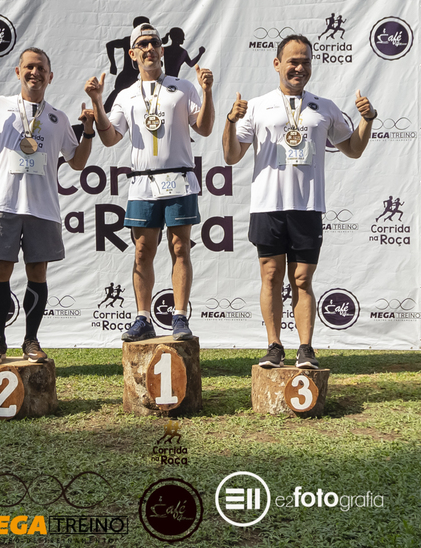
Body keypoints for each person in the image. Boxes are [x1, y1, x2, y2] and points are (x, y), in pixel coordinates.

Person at [222, 34, 376, 369]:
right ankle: (274, 346)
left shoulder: (325, 107)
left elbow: (353, 149)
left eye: (305, 61)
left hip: (307, 207)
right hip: (267, 206)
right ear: (277, 64)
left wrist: (367, 120)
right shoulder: (258, 106)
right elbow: (232, 155)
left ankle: (306, 349)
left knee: (302, 279)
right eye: (292, 61)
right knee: (271, 276)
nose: (299, 67)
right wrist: (230, 122)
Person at [0, 48, 95, 365]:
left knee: (37, 273)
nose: (35, 72)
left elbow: (79, 162)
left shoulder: (57, 118)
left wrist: (88, 131)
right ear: (18, 72)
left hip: (43, 209)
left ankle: (31, 340)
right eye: (29, 67)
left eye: (41, 68)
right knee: (0, 270)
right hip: (4, 204)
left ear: (50, 76)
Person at [84, 23, 215, 342]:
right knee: (142, 250)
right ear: (132, 54)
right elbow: (111, 137)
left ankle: (180, 316)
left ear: (162, 49)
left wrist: (208, 92)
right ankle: (143, 317)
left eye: (154, 42)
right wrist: (98, 104)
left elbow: (205, 128)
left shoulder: (184, 87)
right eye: (142, 44)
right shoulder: (126, 95)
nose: (149, 48)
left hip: (179, 179)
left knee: (180, 247)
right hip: (143, 183)